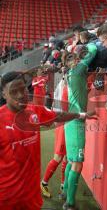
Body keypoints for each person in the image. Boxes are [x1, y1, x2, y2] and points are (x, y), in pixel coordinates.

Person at [0, 71, 96, 210]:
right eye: (14, 91)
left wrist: (81, 115)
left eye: (23, 89)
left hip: (32, 199)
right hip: (7, 200)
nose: (21, 95)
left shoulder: (34, 111)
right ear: (4, 95)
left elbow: (57, 116)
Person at [62, 42, 97, 210]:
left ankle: (64, 193)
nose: (78, 59)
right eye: (75, 57)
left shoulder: (70, 72)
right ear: (72, 60)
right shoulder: (79, 68)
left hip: (70, 121)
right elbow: (93, 50)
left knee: (71, 160)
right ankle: (69, 203)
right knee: (77, 163)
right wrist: (89, 43)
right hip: (76, 122)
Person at [41, 79, 68, 198]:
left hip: (69, 124)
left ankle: (63, 186)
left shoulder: (71, 83)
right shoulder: (65, 84)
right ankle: (43, 183)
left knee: (67, 157)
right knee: (58, 157)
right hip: (64, 124)